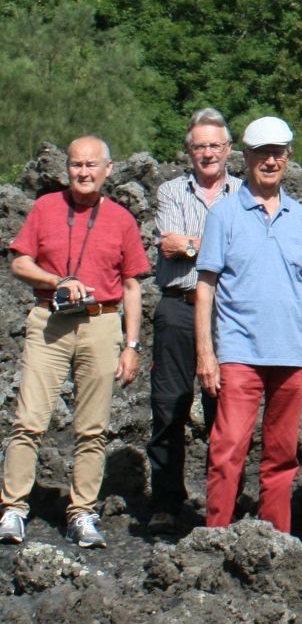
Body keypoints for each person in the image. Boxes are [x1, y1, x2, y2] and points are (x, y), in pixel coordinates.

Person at [1, 136, 149, 548]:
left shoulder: (122, 219)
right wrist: (57, 281)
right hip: (49, 320)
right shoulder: (45, 207)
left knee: (93, 428)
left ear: (108, 169)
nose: (83, 173)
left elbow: (132, 286)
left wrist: (132, 345)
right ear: (66, 168)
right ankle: (13, 508)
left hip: (101, 323)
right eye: (76, 165)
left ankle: (82, 511)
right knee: (29, 420)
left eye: (91, 165)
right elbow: (19, 262)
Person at [194, 117, 302, 535]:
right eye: (262, 154)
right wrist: (206, 354)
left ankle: (276, 541)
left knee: (282, 455)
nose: (271, 161)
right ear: (246, 157)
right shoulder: (224, 214)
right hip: (240, 352)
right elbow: (205, 288)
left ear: (288, 157)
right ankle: (214, 537)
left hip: (293, 354)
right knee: (227, 449)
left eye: (278, 153)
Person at [148, 108, 239, 529]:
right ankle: (166, 502)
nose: (208, 153)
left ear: (228, 149)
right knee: (169, 405)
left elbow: (191, 246)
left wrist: (192, 244)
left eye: (215, 145)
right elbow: (169, 246)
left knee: (227, 408)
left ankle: (223, 504)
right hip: (177, 306)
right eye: (200, 146)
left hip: (229, 311)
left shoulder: (243, 193)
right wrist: (221, 246)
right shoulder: (170, 191)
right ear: (188, 150)